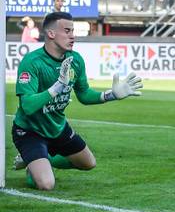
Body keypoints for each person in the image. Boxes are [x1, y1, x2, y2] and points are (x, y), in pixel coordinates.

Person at [11, 12, 143, 190]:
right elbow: (27, 106)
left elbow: (84, 94)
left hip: (57, 127)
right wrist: (56, 87)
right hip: (29, 130)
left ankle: (42, 160)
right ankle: (32, 165)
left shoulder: (76, 60)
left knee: (89, 163)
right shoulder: (32, 62)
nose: (73, 35)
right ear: (51, 34)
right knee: (47, 184)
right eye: (67, 31)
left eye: (73, 31)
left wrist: (110, 95)